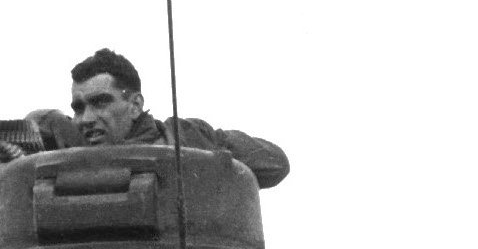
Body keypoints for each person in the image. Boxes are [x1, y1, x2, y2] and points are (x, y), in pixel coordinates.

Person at [26, 47, 289, 188]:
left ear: (135, 104)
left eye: (101, 102)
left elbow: (275, 164)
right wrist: (46, 118)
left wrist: (207, 156)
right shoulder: (65, 145)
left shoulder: (182, 137)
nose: (85, 118)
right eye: (78, 108)